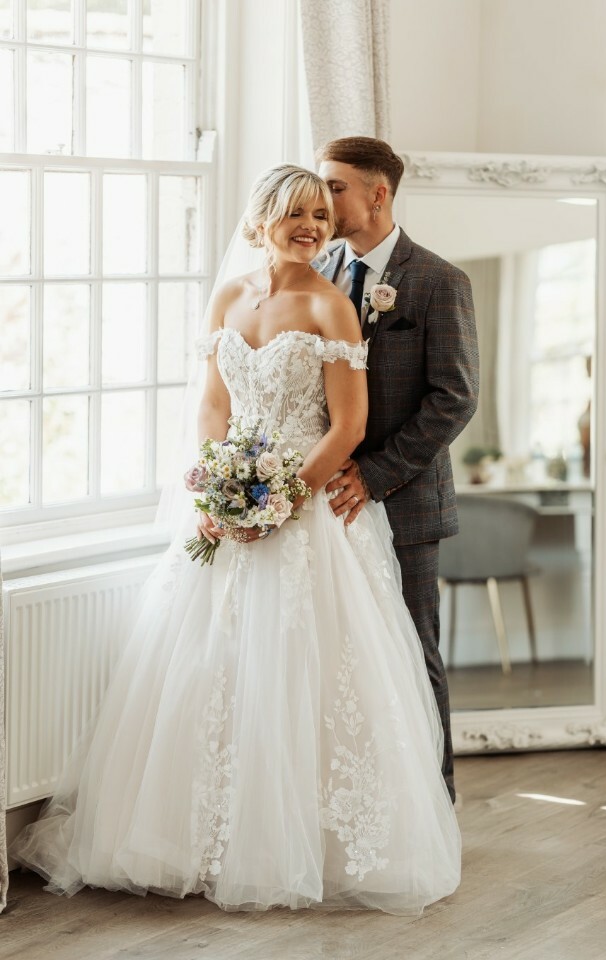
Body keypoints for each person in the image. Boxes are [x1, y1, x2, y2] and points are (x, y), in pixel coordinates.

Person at [10, 165, 460, 915]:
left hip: (307, 514)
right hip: (227, 507)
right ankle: (200, 837)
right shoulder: (229, 297)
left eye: (322, 213)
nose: (313, 226)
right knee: (215, 665)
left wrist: (281, 497)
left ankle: (304, 846)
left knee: (304, 671)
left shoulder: (332, 307)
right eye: (297, 215)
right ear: (260, 222)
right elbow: (214, 405)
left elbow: (346, 425)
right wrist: (219, 487)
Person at [317, 138, 480, 803]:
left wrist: (376, 473)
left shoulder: (439, 280)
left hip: (403, 499)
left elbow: (455, 397)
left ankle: (434, 807)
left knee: (414, 651)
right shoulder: (316, 271)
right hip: (326, 502)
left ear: (377, 193)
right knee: (344, 654)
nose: (319, 200)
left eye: (333, 187)